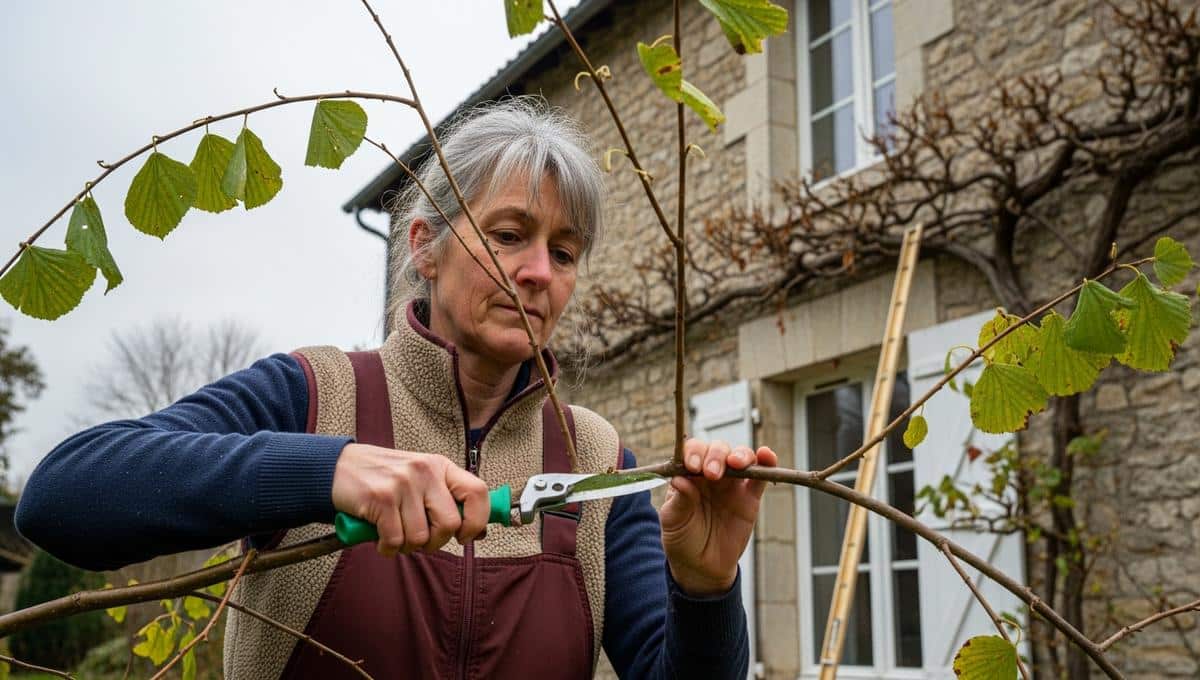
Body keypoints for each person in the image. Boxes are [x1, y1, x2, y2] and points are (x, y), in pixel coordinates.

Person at [16, 97, 778, 679]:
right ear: (425, 247)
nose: (539, 271)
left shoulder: (595, 457)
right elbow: (62, 498)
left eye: (565, 251)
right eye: (509, 235)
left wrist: (705, 589)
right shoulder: (314, 394)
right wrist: (328, 469)